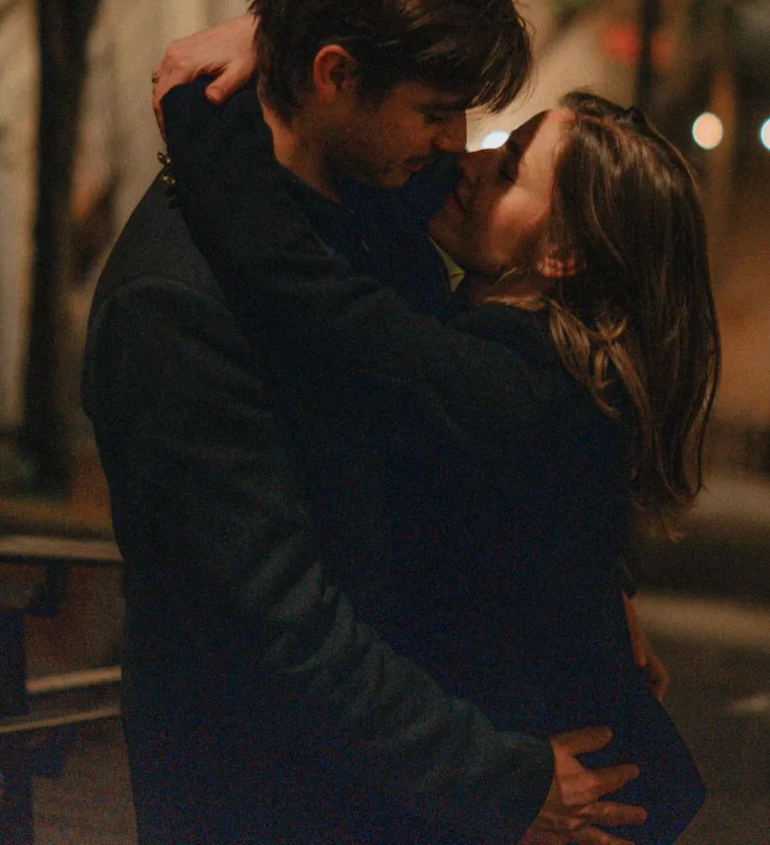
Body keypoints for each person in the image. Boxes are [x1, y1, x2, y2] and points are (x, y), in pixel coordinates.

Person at [84, 0, 648, 845]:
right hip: (263, 802)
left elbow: (488, 420)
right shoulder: (173, 303)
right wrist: (500, 780)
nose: (454, 143)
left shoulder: (374, 197)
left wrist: (591, 575)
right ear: (336, 77)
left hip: (385, 795)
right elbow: (279, 629)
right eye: (434, 111)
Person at [156, 65, 719, 845]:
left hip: (545, 795)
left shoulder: (500, 378)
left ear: (562, 253)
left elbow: (294, 281)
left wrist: (200, 102)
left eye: (509, 169)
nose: (469, 160)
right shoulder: (566, 369)